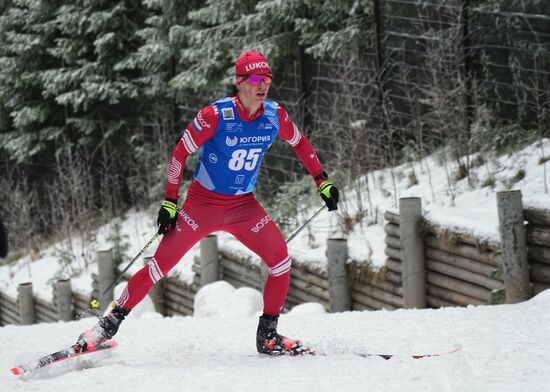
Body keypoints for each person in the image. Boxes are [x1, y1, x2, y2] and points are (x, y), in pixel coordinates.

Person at [77, 51, 339, 356]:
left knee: (281, 262)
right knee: (159, 268)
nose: (262, 85)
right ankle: (104, 328)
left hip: (244, 206)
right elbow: (179, 153)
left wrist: (322, 180)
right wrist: (170, 203)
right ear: (239, 82)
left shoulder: (274, 115)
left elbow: (301, 143)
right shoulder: (216, 115)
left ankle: (268, 336)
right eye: (255, 79)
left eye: (266, 78)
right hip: (202, 206)